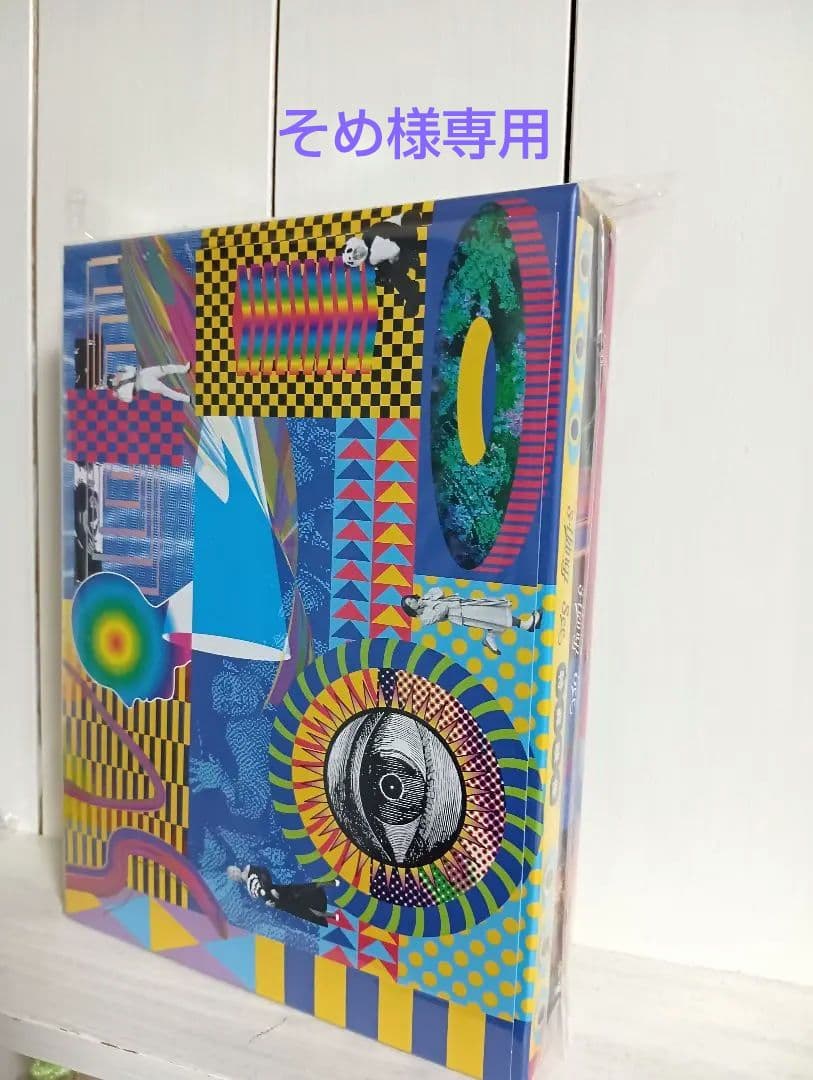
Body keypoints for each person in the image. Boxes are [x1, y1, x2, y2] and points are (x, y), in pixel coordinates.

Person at [401, 586, 542, 657]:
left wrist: (426, 600)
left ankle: (491, 637)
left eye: (411, 599)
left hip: (464, 604)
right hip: (461, 615)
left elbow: (439, 591)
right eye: (410, 604)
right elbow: (443, 609)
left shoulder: (425, 599)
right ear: (410, 610)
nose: (413, 601)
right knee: (493, 618)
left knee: (493, 610)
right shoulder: (425, 618)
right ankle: (525, 625)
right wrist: (428, 603)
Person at [226, 864, 340, 927]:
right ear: (234, 879)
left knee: (305, 890)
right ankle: (332, 916)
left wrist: (270, 888)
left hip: (279, 891)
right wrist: (268, 904)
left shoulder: (249, 868)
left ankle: (330, 883)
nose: (235, 873)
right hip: (279, 903)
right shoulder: (249, 890)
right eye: (232, 875)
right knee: (306, 912)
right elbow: (261, 898)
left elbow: (264, 872)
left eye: (233, 870)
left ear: (236, 867)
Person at [106, 362, 191, 404]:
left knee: (164, 368)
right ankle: (186, 398)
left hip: (144, 373)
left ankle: (184, 369)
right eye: (114, 378)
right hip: (145, 384)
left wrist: (124, 367)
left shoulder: (122, 373)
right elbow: (129, 399)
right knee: (166, 391)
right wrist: (119, 397)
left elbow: (133, 369)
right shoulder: (120, 391)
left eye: (114, 375)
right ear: (114, 384)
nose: (115, 376)